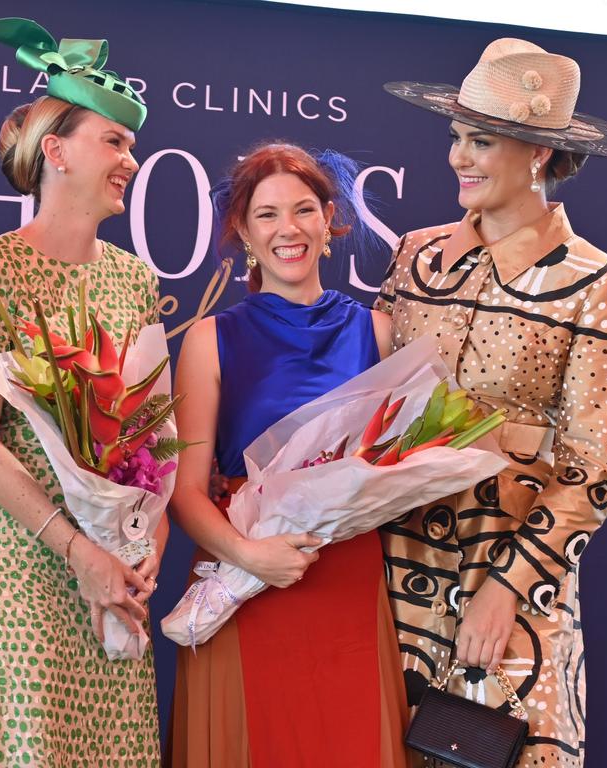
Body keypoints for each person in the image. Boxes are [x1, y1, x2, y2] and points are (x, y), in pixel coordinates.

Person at [379, 38, 607, 767]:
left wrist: (506, 588)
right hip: (393, 578)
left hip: (512, 594)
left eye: (482, 140)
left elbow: (594, 470)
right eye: (458, 136)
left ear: (538, 155)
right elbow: (369, 410)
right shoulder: (413, 259)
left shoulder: (603, 289)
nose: (460, 157)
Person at [0, 15, 163, 767]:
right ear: (56, 152)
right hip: (18, 578)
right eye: (115, 141)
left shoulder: (135, 277)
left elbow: (150, 441)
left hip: (114, 579)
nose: (130, 158)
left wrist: (143, 545)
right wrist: (77, 550)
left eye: (130, 144)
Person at [168, 142, 408, 768]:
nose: (288, 230)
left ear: (330, 221)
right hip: (245, 582)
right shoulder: (210, 339)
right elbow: (185, 491)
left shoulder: (378, 332)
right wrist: (250, 556)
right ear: (244, 231)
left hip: (348, 579)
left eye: (304, 210)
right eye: (267, 214)